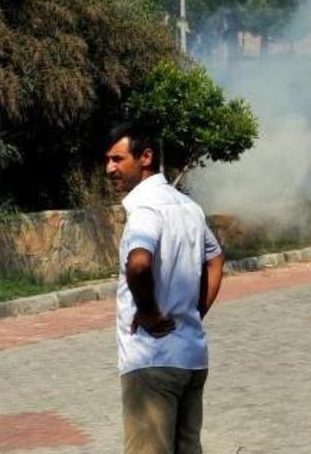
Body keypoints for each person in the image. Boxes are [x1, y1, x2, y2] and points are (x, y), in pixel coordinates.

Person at [105, 122, 226, 454]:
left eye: (117, 159)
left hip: (151, 359)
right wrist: (195, 313)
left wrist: (148, 313)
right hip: (191, 358)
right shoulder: (188, 206)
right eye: (108, 160)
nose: (109, 169)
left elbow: (139, 263)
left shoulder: (145, 208)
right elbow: (216, 259)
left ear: (145, 157)